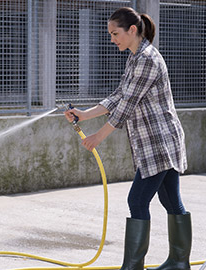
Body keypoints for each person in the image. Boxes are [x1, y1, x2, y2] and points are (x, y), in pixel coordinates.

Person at [64, 7, 191, 270]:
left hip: (159, 142)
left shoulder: (147, 59)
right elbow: (120, 95)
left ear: (132, 30)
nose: (112, 40)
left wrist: (98, 136)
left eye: (115, 34)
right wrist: (85, 114)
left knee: (137, 200)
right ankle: (179, 263)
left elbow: (126, 106)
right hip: (153, 142)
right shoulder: (135, 56)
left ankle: (134, 266)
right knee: (170, 201)